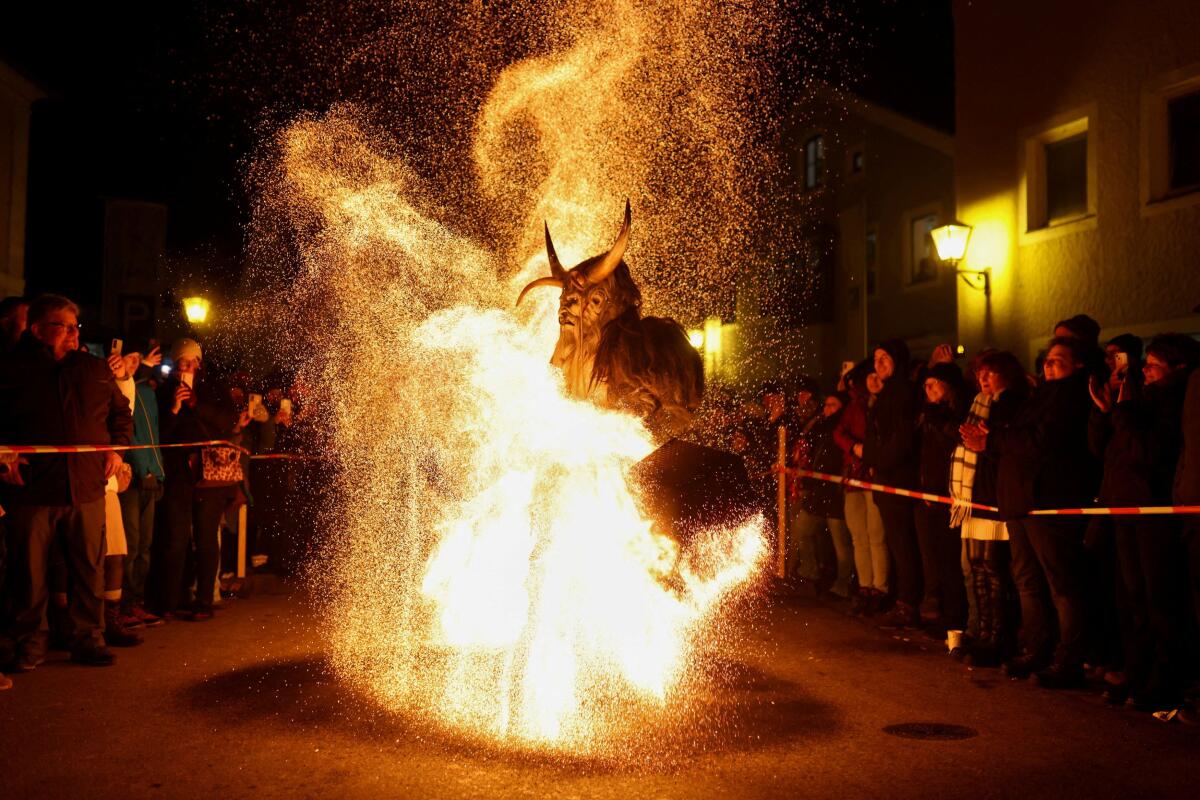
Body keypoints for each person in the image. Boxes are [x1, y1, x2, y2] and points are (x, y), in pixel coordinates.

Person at [0, 294, 132, 668]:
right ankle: (30, 640)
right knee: (29, 571)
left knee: (89, 568)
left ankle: (88, 636)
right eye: (64, 326)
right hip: (32, 489)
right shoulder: (10, 369)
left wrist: (117, 450)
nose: (74, 333)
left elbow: (121, 417)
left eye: (76, 327)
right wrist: (3, 457)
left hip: (85, 487)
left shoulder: (93, 370)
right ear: (38, 329)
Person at [963, 337, 1100, 688]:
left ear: (1079, 364)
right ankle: (1036, 648)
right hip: (1020, 500)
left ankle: (1069, 657)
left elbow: (1039, 442)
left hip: (1047, 499)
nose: (1049, 365)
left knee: (1060, 583)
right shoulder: (1040, 396)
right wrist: (990, 441)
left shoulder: (1069, 397)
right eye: (1047, 360)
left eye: (1058, 360)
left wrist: (991, 441)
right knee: (1027, 580)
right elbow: (1016, 439)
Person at [1090, 333, 1198, 710]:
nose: (1145, 371)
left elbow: (1148, 452)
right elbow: (1104, 449)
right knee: (1132, 597)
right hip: (1124, 504)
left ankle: (1164, 678)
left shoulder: (1173, 400)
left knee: (1159, 599)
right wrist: (1107, 411)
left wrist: (1123, 411)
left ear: (1177, 367)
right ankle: (1138, 670)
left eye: (1153, 365)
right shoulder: (1145, 399)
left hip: (1153, 508)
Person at [153, 339, 248, 621]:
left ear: (199, 362)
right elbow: (162, 434)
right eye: (182, 362)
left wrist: (196, 404)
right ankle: (170, 600)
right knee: (175, 539)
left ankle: (204, 600)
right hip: (178, 473)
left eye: (192, 361)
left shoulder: (214, 388)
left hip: (211, 472)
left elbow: (228, 420)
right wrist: (173, 408)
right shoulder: (163, 390)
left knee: (206, 539)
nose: (187, 366)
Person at [952, 351, 1029, 665]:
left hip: (995, 493)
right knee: (977, 566)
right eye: (980, 373)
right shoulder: (978, 404)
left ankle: (999, 636)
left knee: (994, 568)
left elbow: (1007, 448)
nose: (983, 379)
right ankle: (983, 631)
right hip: (975, 493)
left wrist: (989, 442)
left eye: (990, 373)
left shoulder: (1012, 404)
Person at [863, 340, 922, 629]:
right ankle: (902, 600)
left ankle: (908, 604)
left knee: (902, 544)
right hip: (885, 477)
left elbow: (901, 438)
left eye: (885, 357)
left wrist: (880, 461)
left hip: (897, 478)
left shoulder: (903, 393)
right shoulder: (886, 394)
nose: (879, 363)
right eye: (876, 358)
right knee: (895, 543)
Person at [915, 362, 969, 637]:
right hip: (930, 494)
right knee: (936, 558)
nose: (929, 388)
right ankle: (947, 616)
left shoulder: (954, 413)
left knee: (951, 560)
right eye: (926, 384)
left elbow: (954, 443)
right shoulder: (928, 414)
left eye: (935, 383)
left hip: (950, 494)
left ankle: (956, 619)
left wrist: (937, 418)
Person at [114, 345, 165, 628]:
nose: (133, 364)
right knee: (130, 545)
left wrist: (158, 471)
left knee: (144, 545)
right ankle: (120, 606)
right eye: (129, 358)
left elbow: (153, 432)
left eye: (137, 359)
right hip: (129, 476)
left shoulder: (146, 392)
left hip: (150, 475)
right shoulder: (115, 390)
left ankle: (136, 602)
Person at [783, 392, 852, 598]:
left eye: (833, 405)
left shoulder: (841, 429)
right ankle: (810, 571)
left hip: (835, 493)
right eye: (827, 404)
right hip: (818, 490)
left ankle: (843, 585)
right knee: (800, 530)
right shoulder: (820, 428)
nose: (828, 408)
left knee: (841, 543)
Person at [835, 361, 888, 615]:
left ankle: (880, 588)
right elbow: (839, 433)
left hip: (875, 477)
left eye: (877, 376)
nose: (873, 381)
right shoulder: (855, 406)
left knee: (876, 536)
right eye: (870, 377)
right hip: (854, 476)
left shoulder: (887, 404)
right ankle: (866, 586)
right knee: (859, 537)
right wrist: (854, 448)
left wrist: (875, 458)